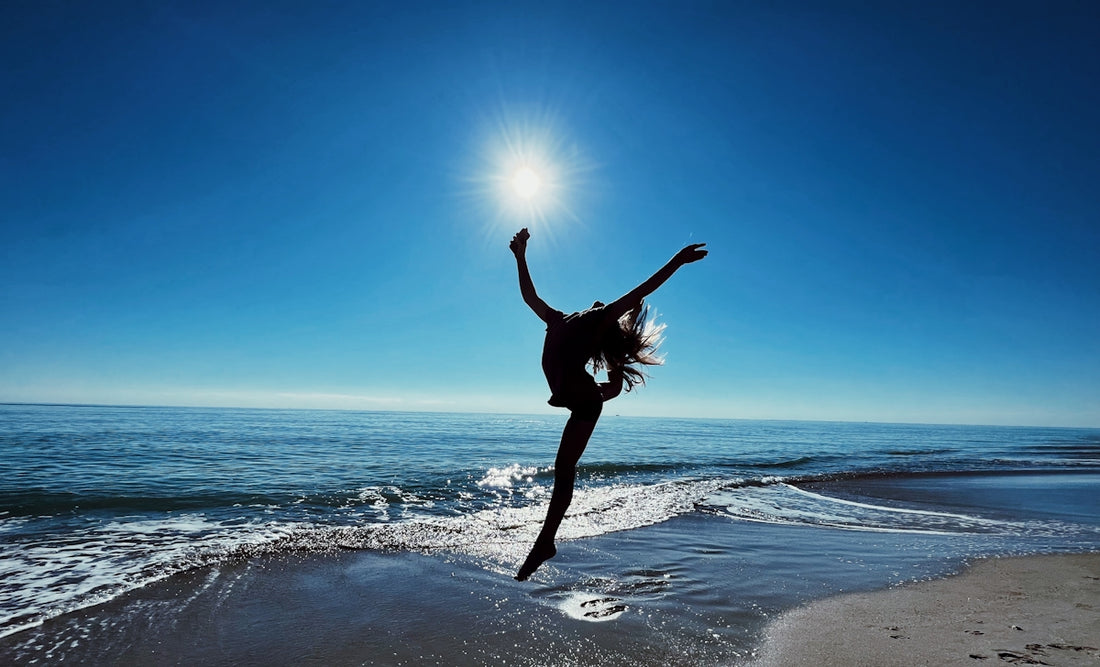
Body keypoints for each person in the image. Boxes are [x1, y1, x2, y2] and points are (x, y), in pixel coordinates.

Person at [509, 227, 707, 581]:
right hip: (579, 394)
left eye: (608, 310)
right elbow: (529, 296)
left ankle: (545, 542)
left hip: (582, 398)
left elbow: (640, 291)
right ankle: (545, 542)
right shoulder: (558, 319)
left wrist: (678, 261)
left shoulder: (595, 320)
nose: (602, 302)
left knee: (563, 469)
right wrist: (521, 257)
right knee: (569, 456)